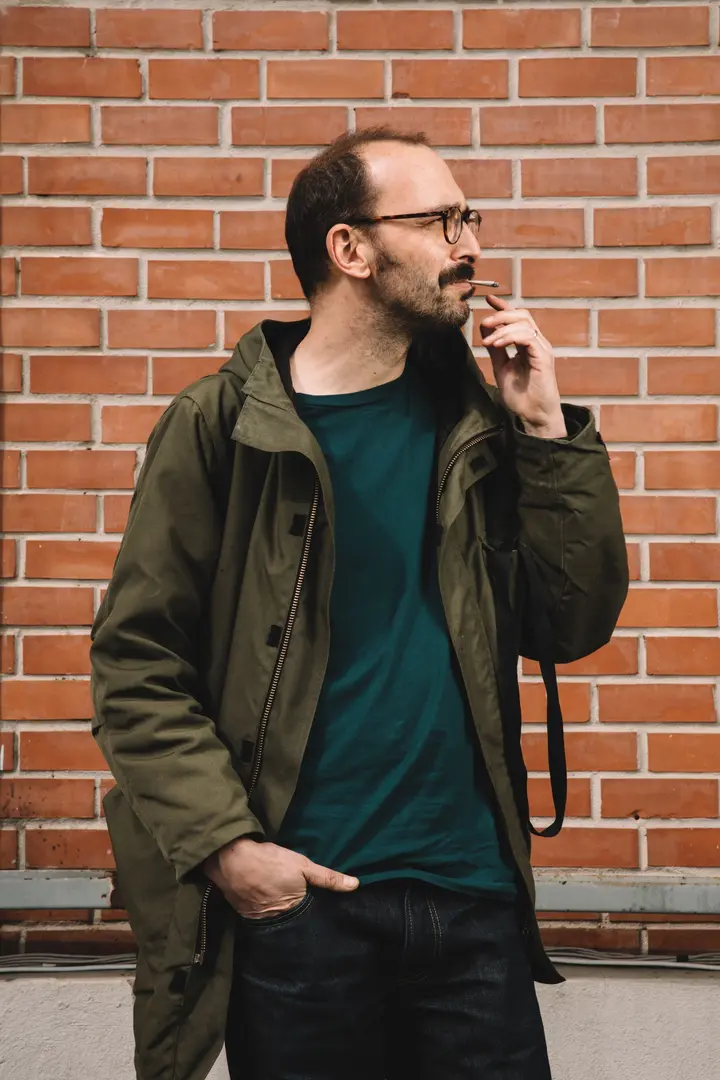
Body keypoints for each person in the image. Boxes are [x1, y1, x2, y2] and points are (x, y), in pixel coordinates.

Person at [90, 127, 628, 1080]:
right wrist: (230, 852)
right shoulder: (222, 428)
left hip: (472, 906)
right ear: (350, 249)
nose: (470, 245)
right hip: (304, 913)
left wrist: (547, 430)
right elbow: (136, 667)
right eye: (441, 221)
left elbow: (571, 622)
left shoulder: (479, 422)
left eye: (469, 218)